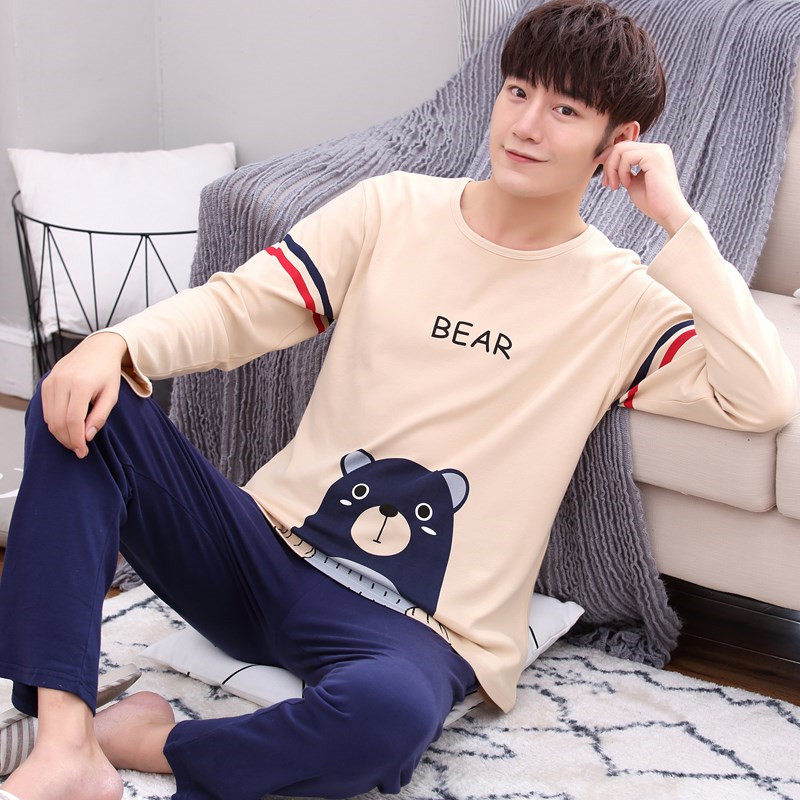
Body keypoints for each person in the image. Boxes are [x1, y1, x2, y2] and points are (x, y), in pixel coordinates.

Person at [1, 0, 797, 798]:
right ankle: (67, 744)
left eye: (565, 110)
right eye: (518, 91)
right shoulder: (392, 209)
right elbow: (242, 305)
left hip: (414, 629)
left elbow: (759, 397)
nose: (526, 125)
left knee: (383, 723)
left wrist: (677, 219)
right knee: (80, 401)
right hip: (264, 553)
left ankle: (155, 743)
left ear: (616, 142)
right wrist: (116, 344)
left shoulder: (618, 299)